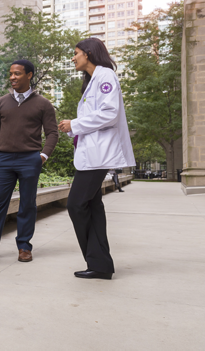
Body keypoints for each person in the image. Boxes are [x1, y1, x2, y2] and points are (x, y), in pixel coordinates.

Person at [0, 60, 59, 263]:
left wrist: (43, 156)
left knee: (27, 205)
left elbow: (52, 133)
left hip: (29, 159)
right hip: (3, 160)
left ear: (29, 75)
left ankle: (24, 246)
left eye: (17, 74)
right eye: (11, 74)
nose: (12, 77)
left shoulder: (43, 104)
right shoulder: (1, 102)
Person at [58, 38, 135, 280]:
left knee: (75, 204)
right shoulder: (93, 80)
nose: (73, 58)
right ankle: (101, 265)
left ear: (89, 53)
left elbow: (109, 114)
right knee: (92, 206)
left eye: (76, 53)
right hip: (92, 154)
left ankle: (98, 261)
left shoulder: (105, 77)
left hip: (99, 156)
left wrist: (75, 124)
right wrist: (72, 128)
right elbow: (96, 117)